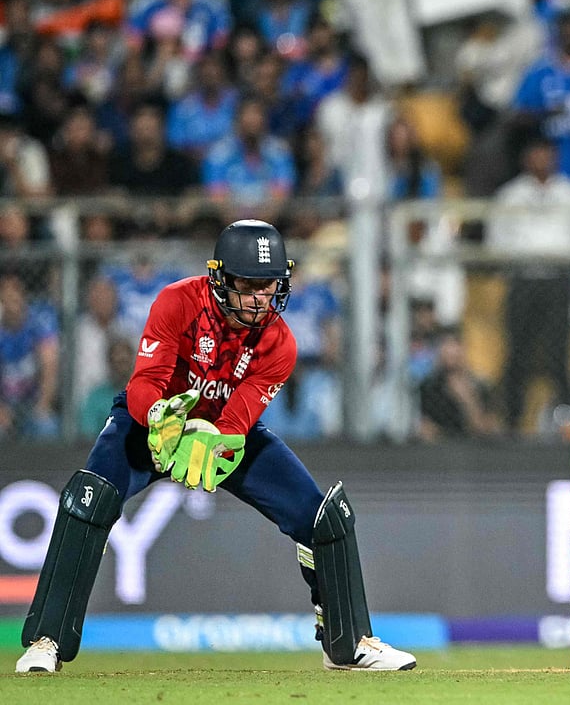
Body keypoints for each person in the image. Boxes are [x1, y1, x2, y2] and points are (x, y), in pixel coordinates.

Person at [16, 220, 416, 673]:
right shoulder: (177, 302)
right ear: (220, 278)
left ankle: (348, 644)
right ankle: (45, 641)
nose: (259, 298)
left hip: (219, 432)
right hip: (152, 422)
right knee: (87, 502)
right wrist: (162, 420)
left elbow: (237, 420)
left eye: (268, 286)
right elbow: (145, 383)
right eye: (247, 285)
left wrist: (214, 440)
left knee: (322, 517)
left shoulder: (280, 344)